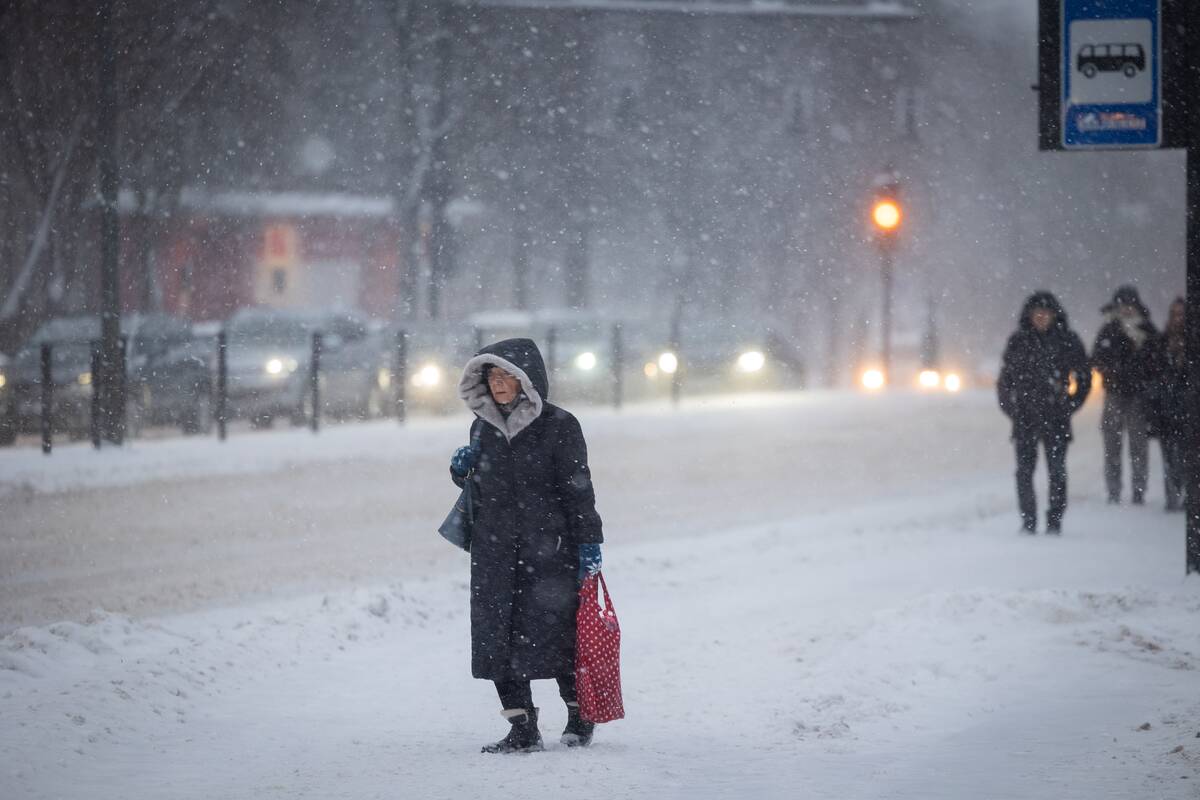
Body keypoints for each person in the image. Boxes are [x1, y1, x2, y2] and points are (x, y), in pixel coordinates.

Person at [448, 337, 604, 754]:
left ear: (525, 379)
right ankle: (522, 728)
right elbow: (482, 488)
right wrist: (461, 471)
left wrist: (589, 541)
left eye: (507, 376)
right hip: (494, 551)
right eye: (492, 377)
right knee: (497, 639)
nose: (498, 383)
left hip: (549, 549)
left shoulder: (560, 425)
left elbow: (578, 488)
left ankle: (579, 716)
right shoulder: (482, 426)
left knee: (558, 636)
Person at [997, 292, 1092, 534]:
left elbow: (1084, 377)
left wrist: (1070, 405)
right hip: (1025, 417)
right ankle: (1028, 521)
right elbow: (1005, 380)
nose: (1041, 316)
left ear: (1054, 315)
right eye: (1036, 312)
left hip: (1056, 417)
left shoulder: (1067, 340)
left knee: (1057, 471)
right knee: (1024, 472)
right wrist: (1012, 408)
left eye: (1045, 312)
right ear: (1029, 315)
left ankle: (1054, 521)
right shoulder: (1019, 341)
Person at [1091, 285, 1157, 505]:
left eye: (1130, 305)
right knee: (1112, 445)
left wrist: (1142, 375)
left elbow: (1157, 360)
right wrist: (1111, 371)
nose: (1127, 309)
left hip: (1139, 396)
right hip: (1114, 394)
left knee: (1138, 446)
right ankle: (1114, 491)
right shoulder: (1109, 329)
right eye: (1123, 305)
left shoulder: (1147, 330)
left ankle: (1139, 491)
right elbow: (1096, 358)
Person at [1146, 297, 1187, 512]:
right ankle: (1172, 497)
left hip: (1188, 410)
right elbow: (1149, 371)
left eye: (1181, 314)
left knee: (1187, 457)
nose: (1177, 319)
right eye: (1174, 314)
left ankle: (1187, 497)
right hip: (1166, 410)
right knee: (1169, 457)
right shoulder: (1160, 342)